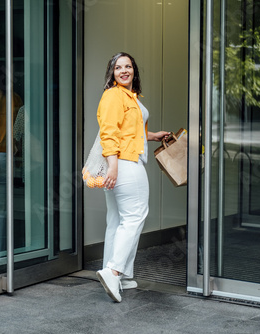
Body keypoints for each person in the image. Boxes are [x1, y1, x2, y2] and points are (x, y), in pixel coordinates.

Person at [95, 52, 170, 302]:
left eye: (128, 66)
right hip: (125, 163)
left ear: (134, 70)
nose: (124, 70)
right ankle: (114, 270)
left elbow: (130, 132)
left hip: (122, 160)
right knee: (135, 216)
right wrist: (113, 166)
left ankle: (120, 275)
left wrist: (154, 135)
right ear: (112, 72)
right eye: (118, 67)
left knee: (116, 219)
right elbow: (109, 134)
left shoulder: (130, 97)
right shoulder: (114, 95)